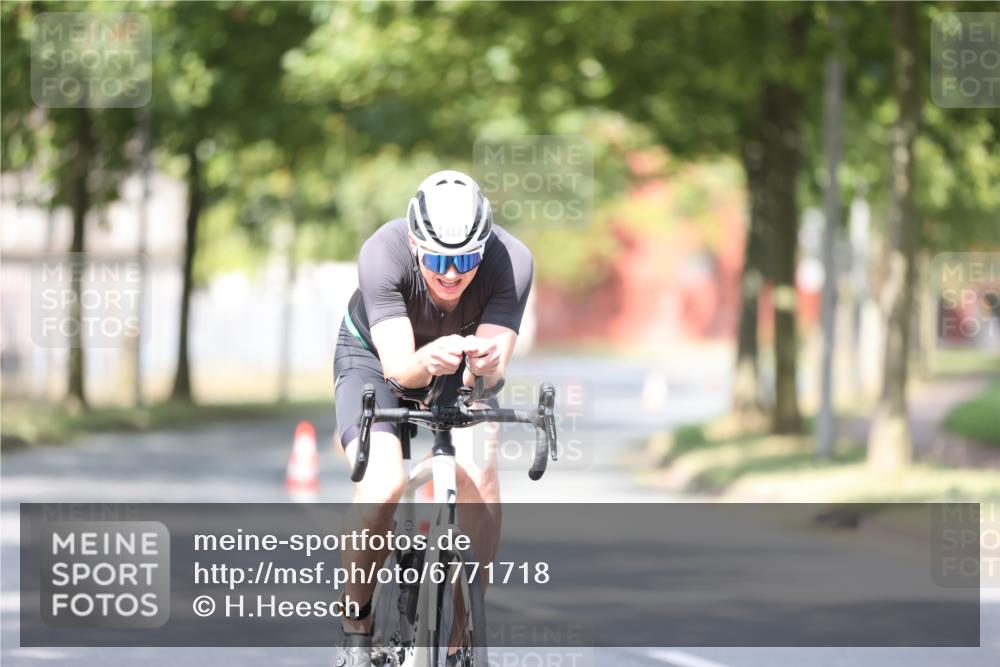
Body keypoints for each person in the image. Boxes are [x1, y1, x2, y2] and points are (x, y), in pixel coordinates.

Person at [332, 170, 533, 666]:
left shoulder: (513, 261)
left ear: (483, 248)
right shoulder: (382, 252)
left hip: (455, 365)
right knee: (383, 483)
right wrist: (430, 360)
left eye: (465, 260)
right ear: (415, 243)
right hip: (377, 362)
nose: (451, 273)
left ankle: (465, 633)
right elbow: (402, 370)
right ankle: (357, 625)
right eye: (439, 259)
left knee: (481, 473)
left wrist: (483, 367)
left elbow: (488, 374)